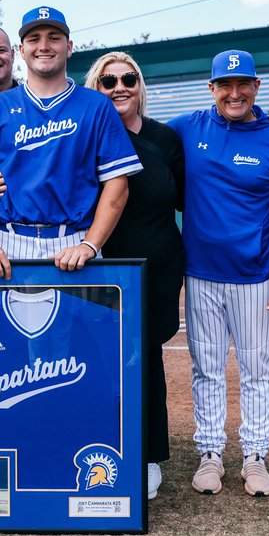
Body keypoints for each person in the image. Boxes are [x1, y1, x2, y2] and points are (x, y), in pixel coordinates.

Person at [169, 49, 269, 498]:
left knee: (256, 369)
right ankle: (210, 452)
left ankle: (254, 455)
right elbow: (134, 141)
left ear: (256, 87)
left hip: (255, 276)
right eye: (224, 85)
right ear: (211, 88)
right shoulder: (187, 128)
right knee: (207, 369)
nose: (234, 93)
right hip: (201, 274)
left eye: (242, 84)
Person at [0, 6, 141, 276]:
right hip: (6, 243)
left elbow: (117, 184)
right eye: (34, 39)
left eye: (54, 37)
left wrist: (91, 244)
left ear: (69, 47)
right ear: (22, 50)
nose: (44, 46)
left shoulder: (96, 105)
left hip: (75, 242)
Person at [84, 51, 185, 501]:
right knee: (96, 360)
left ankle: (147, 456)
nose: (120, 87)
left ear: (140, 85)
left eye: (129, 78)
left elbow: (187, 199)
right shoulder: (83, 134)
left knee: (145, 360)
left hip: (157, 267)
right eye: (109, 81)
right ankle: (96, 444)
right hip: (99, 264)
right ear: (96, 87)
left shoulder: (166, 138)